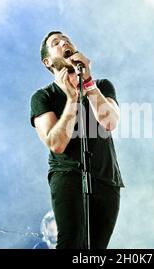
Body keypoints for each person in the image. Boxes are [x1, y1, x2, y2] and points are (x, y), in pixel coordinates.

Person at [30, 31, 124, 249]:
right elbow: (56, 143)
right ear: (48, 61)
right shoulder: (43, 97)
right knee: (71, 243)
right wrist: (72, 99)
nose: (64, 43)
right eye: (56, 43)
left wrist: (88, 83)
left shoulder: (102, 85)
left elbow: (110, 122)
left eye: (67, 40)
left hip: (106, 179)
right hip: (68, 176)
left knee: (96, 249)